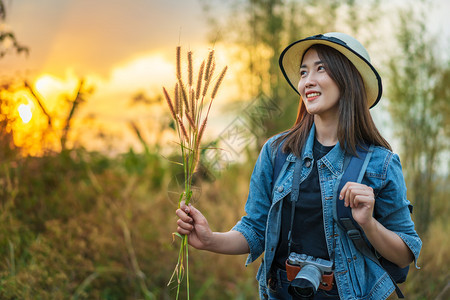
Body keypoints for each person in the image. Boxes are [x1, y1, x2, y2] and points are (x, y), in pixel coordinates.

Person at [175, 32, 422, 299]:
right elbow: (256, 229)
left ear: (349, 79)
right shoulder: (276, 151)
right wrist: (211, 239)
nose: (307, 81)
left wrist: (368, 223)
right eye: (303, 72)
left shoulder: (380, 162)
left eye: (321, 69)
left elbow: (405, 253)